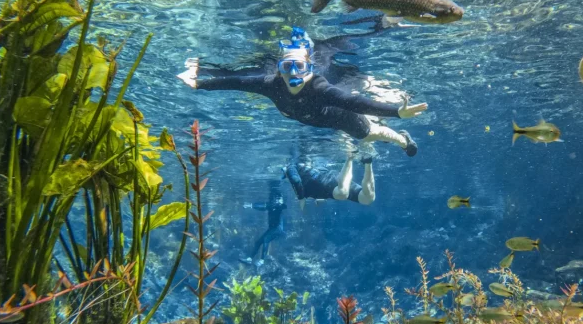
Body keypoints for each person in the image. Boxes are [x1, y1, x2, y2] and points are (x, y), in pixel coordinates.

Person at [177, 27, 426, 156]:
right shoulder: (270, 84)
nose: (293, 73)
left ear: (310, 68)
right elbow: (235, 82)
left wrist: (396, 112)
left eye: (300, 66)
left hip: (341, 118)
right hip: (312, 119)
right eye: (287, 66)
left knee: (371, 134)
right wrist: (200, 82)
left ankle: (403, 139)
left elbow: (354, 102)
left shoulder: (319, 87)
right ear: (279, 67)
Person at [284, 155, 375, 207]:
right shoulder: (315, 168)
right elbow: (316, 191)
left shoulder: (291, 166)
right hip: (332, 178)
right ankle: (368, 163)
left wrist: (301, 198)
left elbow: (295, 180)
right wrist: (319, 199)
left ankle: (350, 157)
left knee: (342, 193)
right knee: (368, 198)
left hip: (327, 182)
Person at [242, 180, 287, 263]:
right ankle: (250, 259)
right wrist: (251, 205)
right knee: (258, 242)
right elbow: (263, 206)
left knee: (266, 239)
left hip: (277, 229)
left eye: (275, 199)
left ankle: (262, 261)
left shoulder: (279, 206)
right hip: (272, 228)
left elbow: (284, 206)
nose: (273, 200)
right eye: (272, 199)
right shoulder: (271, 206)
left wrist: (279, 203)